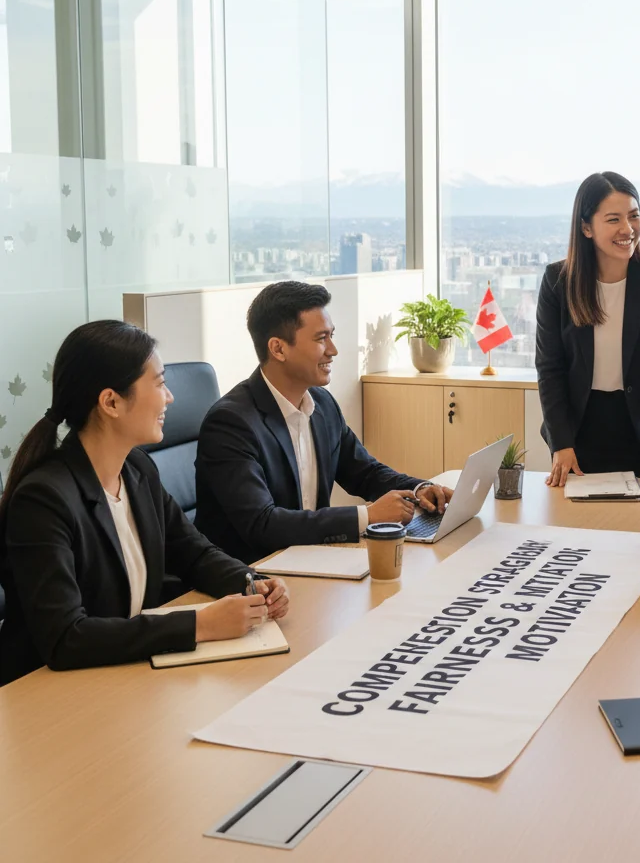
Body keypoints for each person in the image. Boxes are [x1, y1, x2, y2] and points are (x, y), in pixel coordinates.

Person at [0, 321, 289, 687]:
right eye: (159, 383)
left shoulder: (137, 470)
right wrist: (200, 624)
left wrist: (251, 584)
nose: (169, 397)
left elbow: (194, 553)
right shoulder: (44, 500)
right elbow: (66, 638)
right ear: (111, 402)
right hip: (48, 694)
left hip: (125, 673)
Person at [195, 281, 453, 563]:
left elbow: (365, 472)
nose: (333, 350)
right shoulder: (231, 423)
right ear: (278, 349)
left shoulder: (323, 404)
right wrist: (367, 516)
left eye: (331, 336)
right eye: (321, 339)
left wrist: (420, 490)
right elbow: (262, 524)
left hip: (311, 560)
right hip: (252, 577)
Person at [535, 171, 640, 486]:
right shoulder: (558, 282)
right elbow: (550, 369)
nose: (628, 229)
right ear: (586, 227)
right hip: (578, 434)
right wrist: (561, 443)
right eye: (614, 219)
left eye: (634, 216)